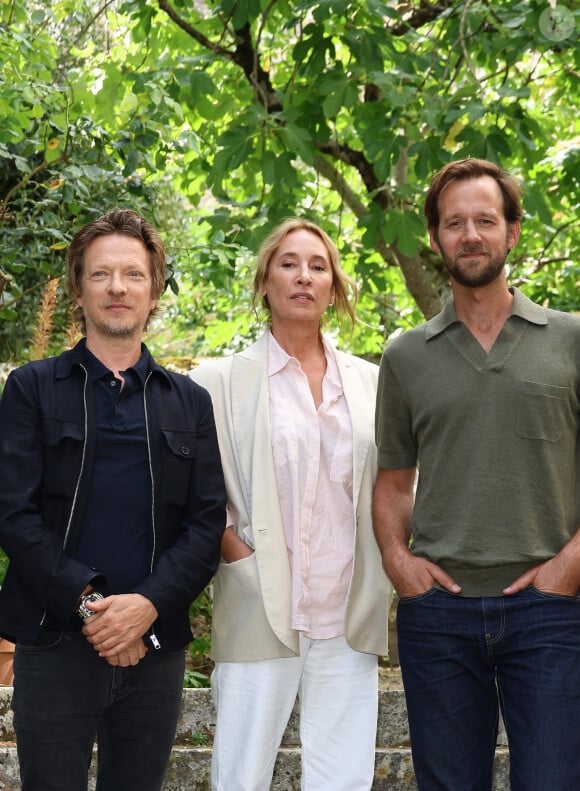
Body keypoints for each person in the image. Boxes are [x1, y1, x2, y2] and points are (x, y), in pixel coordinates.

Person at [0, 208, 227, 791]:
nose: (118, 288)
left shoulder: (190, 403)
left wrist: (145, 608)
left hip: (154, 646)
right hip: (53, 644)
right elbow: (13, 513)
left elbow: (206, 527)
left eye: (134, 274)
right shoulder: (30, 389)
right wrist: (93, 606)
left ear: (155, 290)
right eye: (101, 275)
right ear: (78, 288)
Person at [373, 158, 580, 791]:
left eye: (485, 220)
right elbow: (391, 482)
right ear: (435, 238)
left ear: (512, 232)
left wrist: (568, 569)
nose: (470, 235)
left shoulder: (572, 340)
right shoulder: (407, 355)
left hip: (551, 611)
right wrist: (400, 565)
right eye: (454, 222)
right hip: (439, 616)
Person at [190, 218, 392, 791]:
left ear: (334, 287)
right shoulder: (218, 382)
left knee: (344, 779)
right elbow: (200, 491)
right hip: (260, 604)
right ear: (264, 282)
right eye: (288, 263)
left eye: (318, 266)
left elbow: (396, 484)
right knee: (240, 776)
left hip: (347, 614)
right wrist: (235, 550)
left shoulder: (372, 383)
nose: (304, 276)